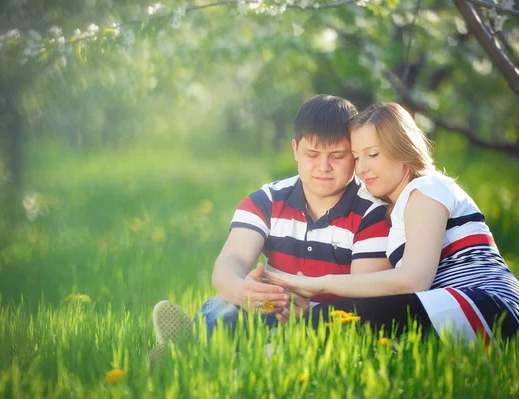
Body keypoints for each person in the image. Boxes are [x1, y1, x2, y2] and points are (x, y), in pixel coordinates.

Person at [264, 102, 519, 347]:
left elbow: (413, 280)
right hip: (454, 308)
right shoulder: (398, 208)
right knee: (341, 323)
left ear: (403, 149)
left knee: (331, 319)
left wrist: (319, 284)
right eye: (357, 158)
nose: (362, 169)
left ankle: (270, 357)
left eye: (373, 154)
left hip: (493, 309)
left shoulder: (427, 189)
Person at [150, 95, 391, 368]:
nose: (324, 167)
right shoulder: (267, 200)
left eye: (337, 156)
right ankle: (199, 351)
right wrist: (242, 291)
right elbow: (230, 262)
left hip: (332, 321)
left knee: (288, 347)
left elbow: (366, 299)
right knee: (223, 307)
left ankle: (192, 351)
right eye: (312, 154)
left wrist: (310, 312)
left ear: (355, 155)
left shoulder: (372, 213)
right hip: (272, 307)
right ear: (295, 150)